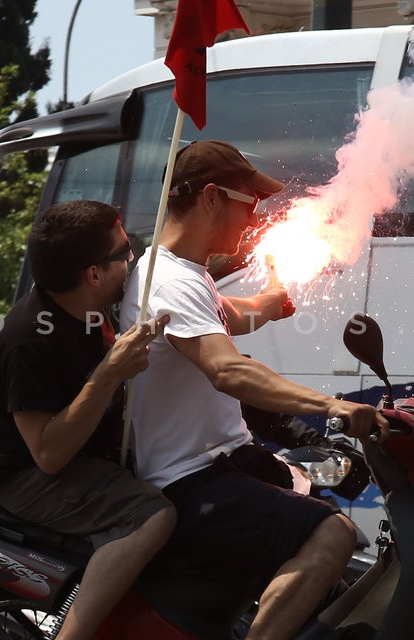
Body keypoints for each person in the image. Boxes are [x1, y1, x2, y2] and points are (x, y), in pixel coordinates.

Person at [120, 140, 389, 640]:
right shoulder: (170, 282)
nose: (255, 217)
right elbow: (227, 371)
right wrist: (333, 403)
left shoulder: (184, 273)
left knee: (317, 495)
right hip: (190, 476)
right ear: (211, 198)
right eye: (250, 203)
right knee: (334, 535)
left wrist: (266, 303)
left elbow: (223, 316)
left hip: (225, 460)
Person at [0, 200, 176, 639]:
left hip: (91, 459)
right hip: (27, 478)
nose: (133, 260)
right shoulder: (27, 338)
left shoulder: (92, 303)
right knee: (152, 517)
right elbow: (48, 454)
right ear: (93, 274)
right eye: (126, 253)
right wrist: (108, 375)